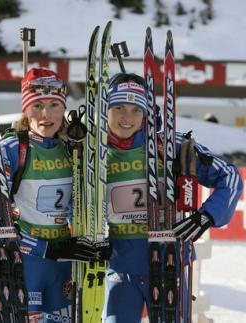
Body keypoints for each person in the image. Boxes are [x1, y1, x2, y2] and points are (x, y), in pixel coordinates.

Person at [103, 72, 243, 322]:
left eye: (136, 110)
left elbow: (230, 177)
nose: (127, 118)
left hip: (168, 264)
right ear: (105, 109)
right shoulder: (93, 151)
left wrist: (206, 216)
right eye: (118, 108)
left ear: (147, 112)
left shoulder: (170, 146)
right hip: (119, 269)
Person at [1, 68, 109, 322]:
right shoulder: (13, 149)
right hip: (27, 262)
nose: (46, 115)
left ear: (64, 109)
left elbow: (85, 204)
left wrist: (93, 241)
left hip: (65, 262)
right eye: (37, 105)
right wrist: (43, 248)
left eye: (54, 105)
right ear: (26, 110)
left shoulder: (74, 150)